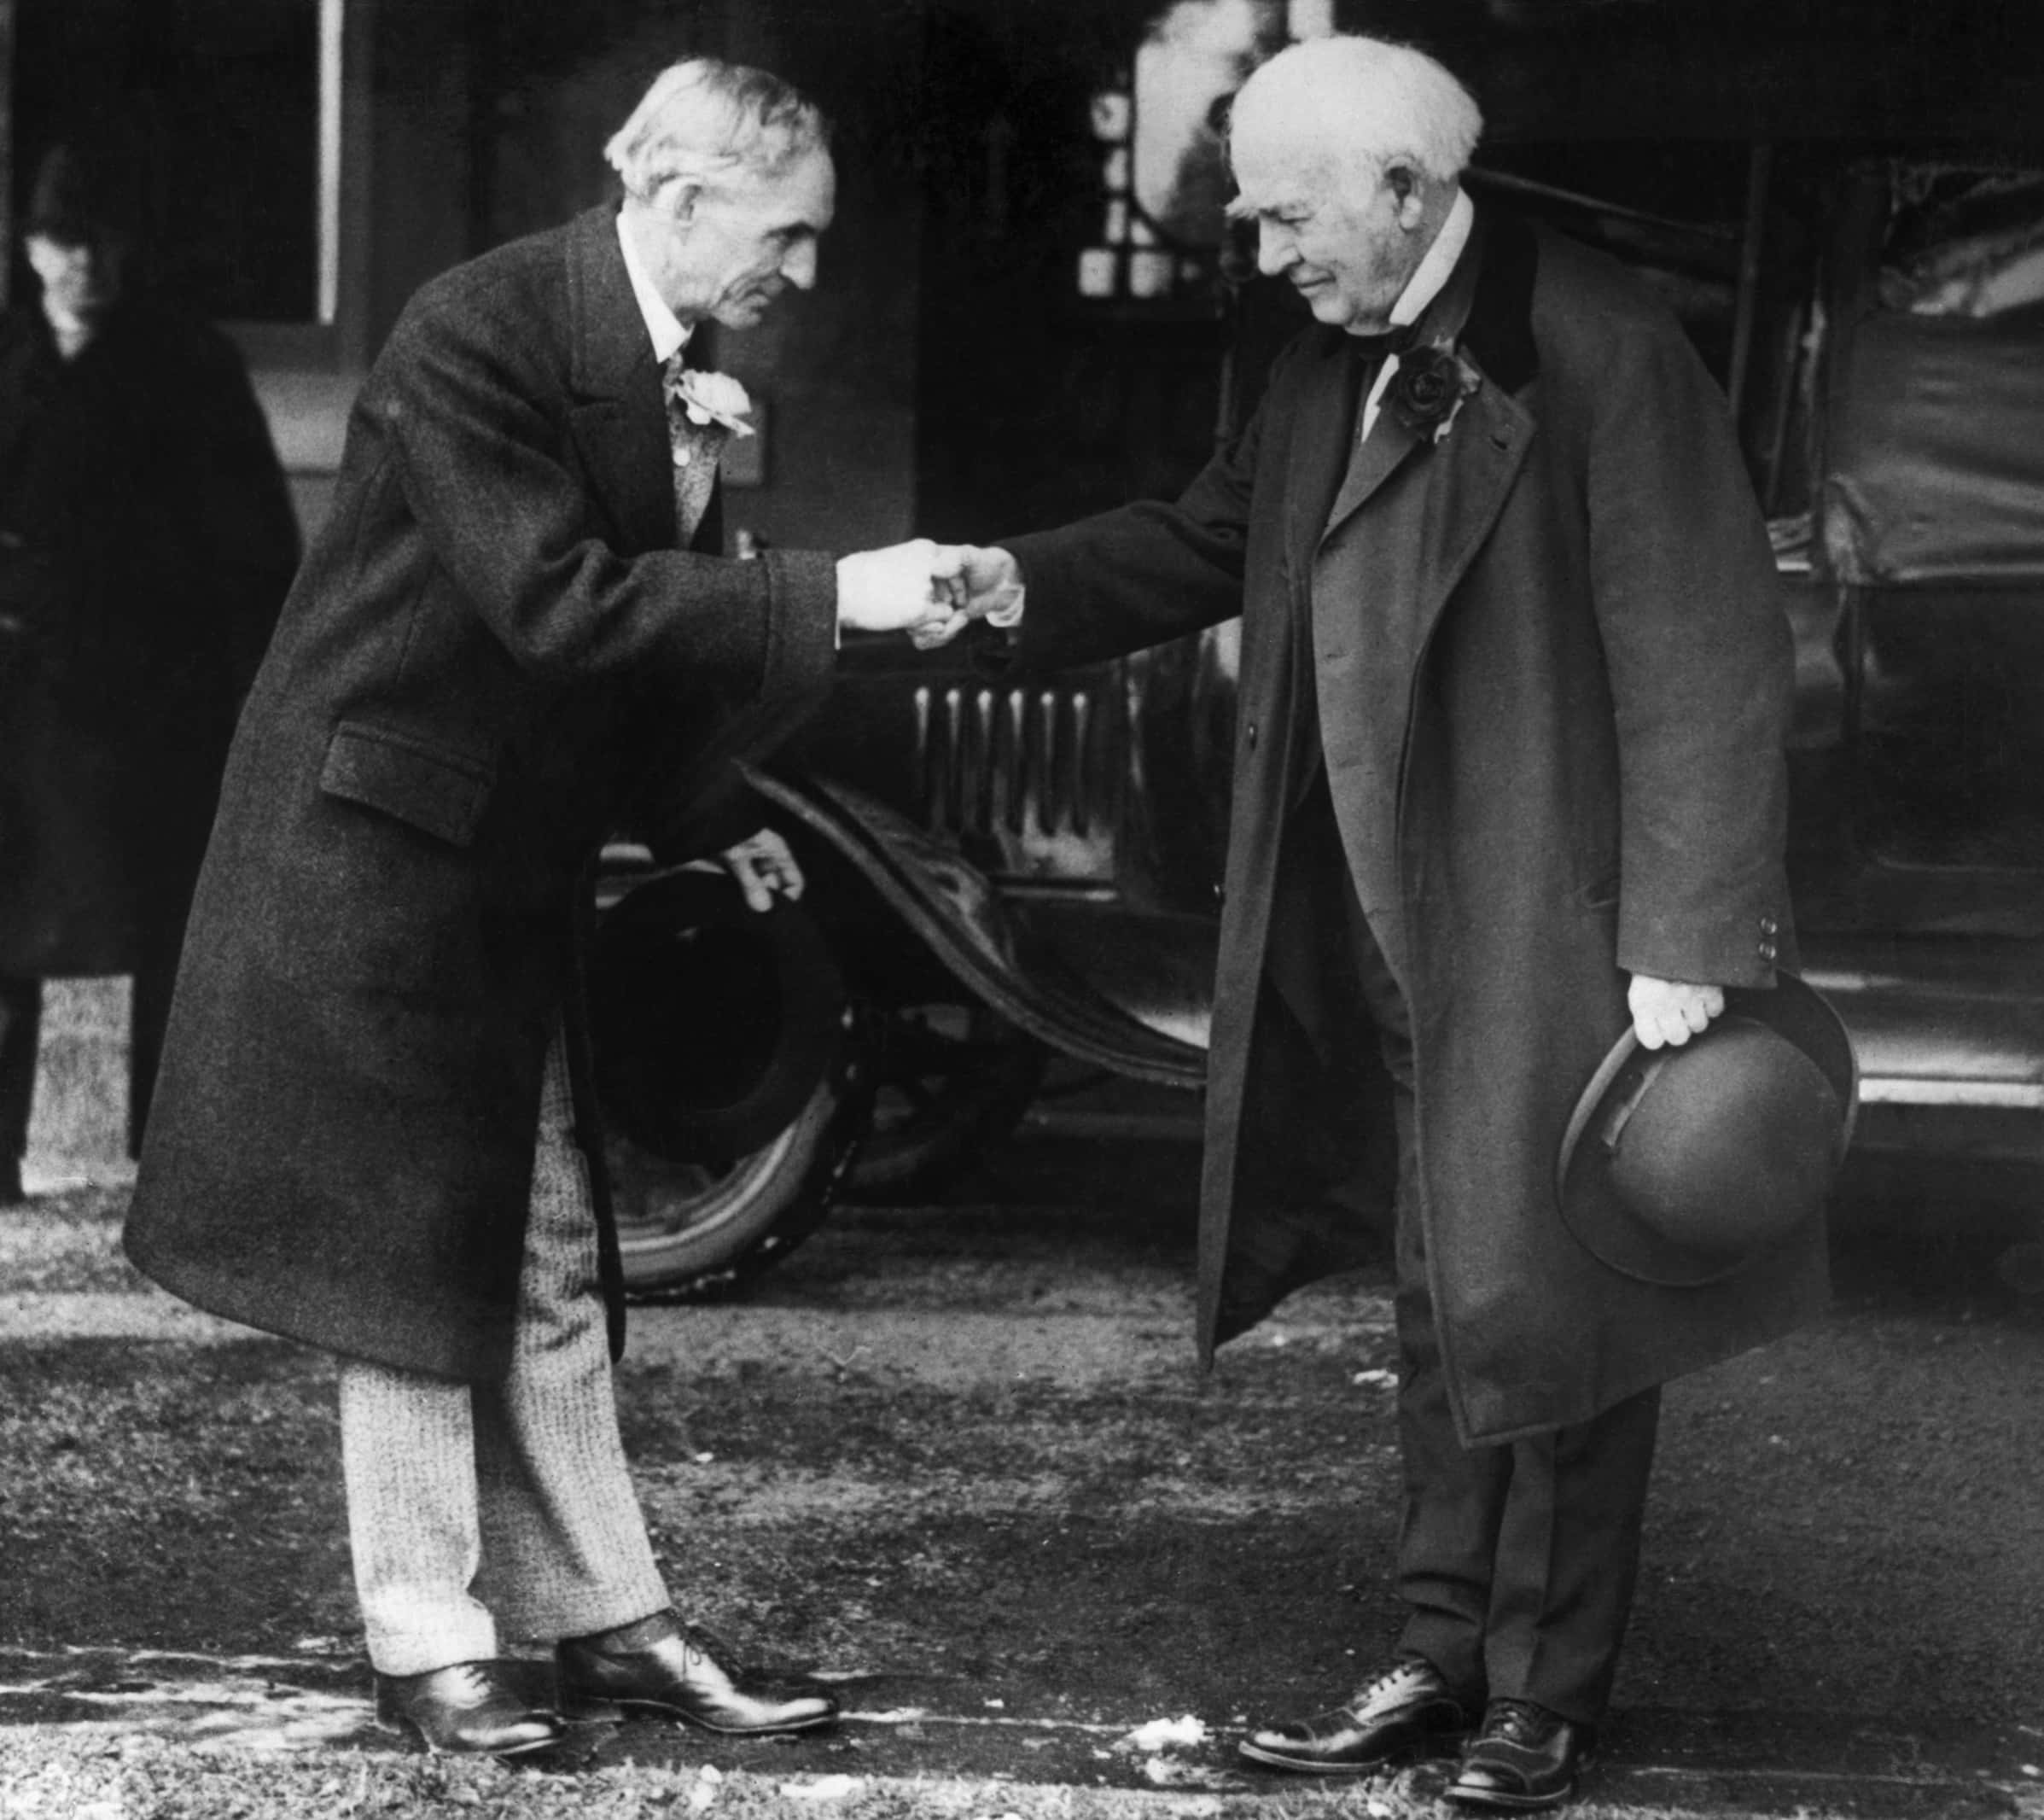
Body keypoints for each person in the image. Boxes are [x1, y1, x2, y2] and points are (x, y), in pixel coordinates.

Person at [925, 35, 1814, 1813]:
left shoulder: (1601, 345)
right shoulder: (1324, 355)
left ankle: (1545, 1695)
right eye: (1254, 221)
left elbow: (1707, 648)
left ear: (1406, 191)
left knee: (1572, 1291)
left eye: (1285, 218)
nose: (1263, 256)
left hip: (1554, 913)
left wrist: (1690, 935)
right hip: (1379, 908)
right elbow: (1193, 542)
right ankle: (1442, 1643)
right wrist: (992, 586)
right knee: (1443, 1286)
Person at [123, 59, 959, 1759]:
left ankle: (600, 1615)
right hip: (371, 854)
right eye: (787, 237)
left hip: (492, 855)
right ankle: (428, 1638)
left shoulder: (655, 361)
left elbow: (594, 673)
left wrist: (713, 815)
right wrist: (832, 595)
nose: (804, 274)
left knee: (554, 1250)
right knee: (408, 1262)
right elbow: (562, 614)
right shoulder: (479, 328)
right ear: (677, 195)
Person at [0, 139, 300, 1202]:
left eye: (99, 241)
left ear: (129, 250)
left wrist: (255, 703)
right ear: (30, 249)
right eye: (59, 240)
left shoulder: (188, 365)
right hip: (17, 697)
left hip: (152, 699)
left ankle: (172, 1173)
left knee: (171, 925)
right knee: (6, 922)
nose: (81, 264)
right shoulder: (10, 354)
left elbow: (256, 550)